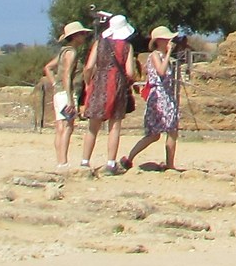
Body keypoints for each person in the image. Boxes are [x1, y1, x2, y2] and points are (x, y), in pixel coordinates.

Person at [75, 14, 138, 174]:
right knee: (115, 126)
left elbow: (89, 67)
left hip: (99, 83)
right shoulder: (127, 47)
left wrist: (89, 83)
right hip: (117, 85)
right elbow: (130, 72)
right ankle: (110, 163)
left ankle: (84, 161)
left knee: (93, 126)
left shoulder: (99, 43)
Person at [122, 27, 181, 172]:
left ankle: (170, 164)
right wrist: (168, 54)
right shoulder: (155, 55)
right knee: (154, 135)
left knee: (172, 130)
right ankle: (129, 158)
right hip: (159, 96)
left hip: (167, 95)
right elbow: (161, 71)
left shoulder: (162, 55)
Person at [41, 22, 92, 165]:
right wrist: (70, 99)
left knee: (60, 127)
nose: (84, 36)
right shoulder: (71, 53)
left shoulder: (63, 51)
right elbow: (67, 75)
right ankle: (63, 162)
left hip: (59, 93)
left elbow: (48, 68)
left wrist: (55, 84)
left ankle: (60, 161)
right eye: (82, 34)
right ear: (75, 36)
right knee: (67, 127)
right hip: (67, 93)